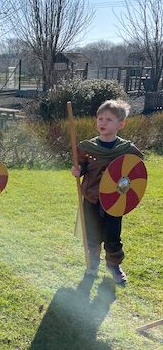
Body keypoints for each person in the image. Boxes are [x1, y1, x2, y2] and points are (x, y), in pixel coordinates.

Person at [71, 99, 143, 285]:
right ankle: (93, 263)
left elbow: (135, 170)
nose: (102, 122)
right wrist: (78, 170)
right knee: (92, 234)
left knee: (112, 236)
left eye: (108, 119)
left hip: (115, 201)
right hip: (92, 198)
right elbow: (83, 167)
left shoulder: (127, 149)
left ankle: (114, 265)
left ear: (121, 124)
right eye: (100, 118)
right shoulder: (87, 148)